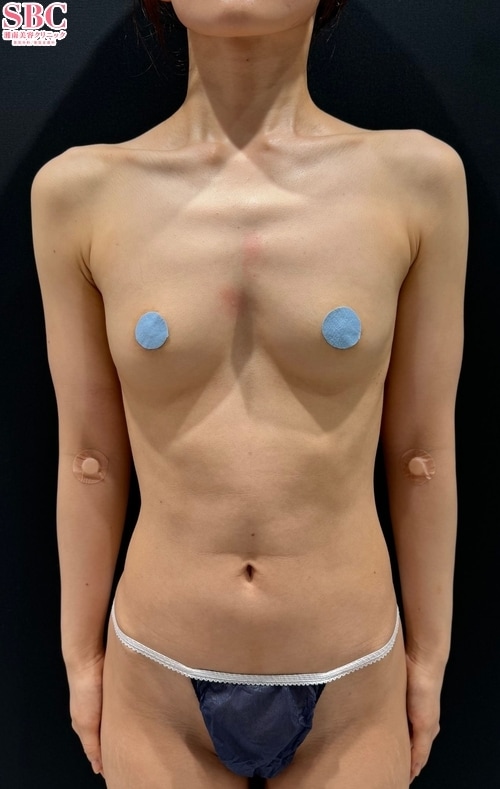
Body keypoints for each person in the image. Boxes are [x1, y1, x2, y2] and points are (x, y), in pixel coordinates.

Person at [31, 1, 468, 786]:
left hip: (353, 673)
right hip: (156, 670)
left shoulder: (418, 179)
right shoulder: (78, 192)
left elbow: (422, 451)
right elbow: (90, 456)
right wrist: (81, 661)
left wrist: (429, 660)